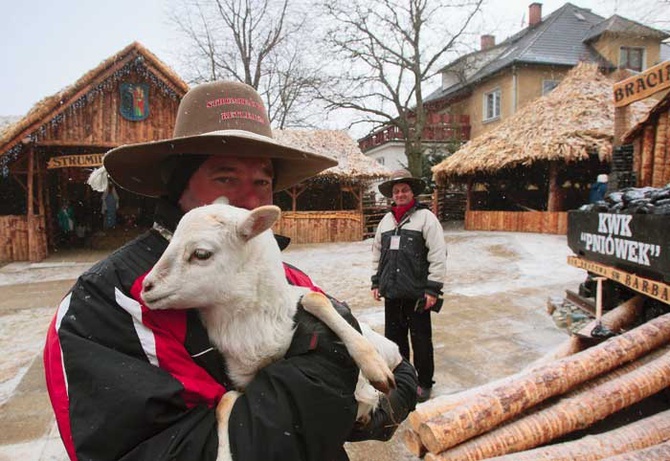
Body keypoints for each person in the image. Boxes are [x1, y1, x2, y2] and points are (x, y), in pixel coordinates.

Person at [43, 81, 417, 461]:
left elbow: (392, 378)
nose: (250, 198)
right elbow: (143, 450)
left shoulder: (288, 278)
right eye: (225, 177)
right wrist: (321, 375)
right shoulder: (105, 303)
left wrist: (378, 403)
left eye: (263, 181)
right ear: (178, 184)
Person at [371, 170, 447, 403]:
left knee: (421, 340)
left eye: (404, 190)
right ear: (392, 195)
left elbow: (438, 254)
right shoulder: (386, 221)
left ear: (412, 192)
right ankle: (403, 381)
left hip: (417, 294)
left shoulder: (426, 219)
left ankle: (424, 383)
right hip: (392, 293)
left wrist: (432, 289)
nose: (400, 194)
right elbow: (377, 253)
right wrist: (376, 282)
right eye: (396, 191)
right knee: (394, 340)